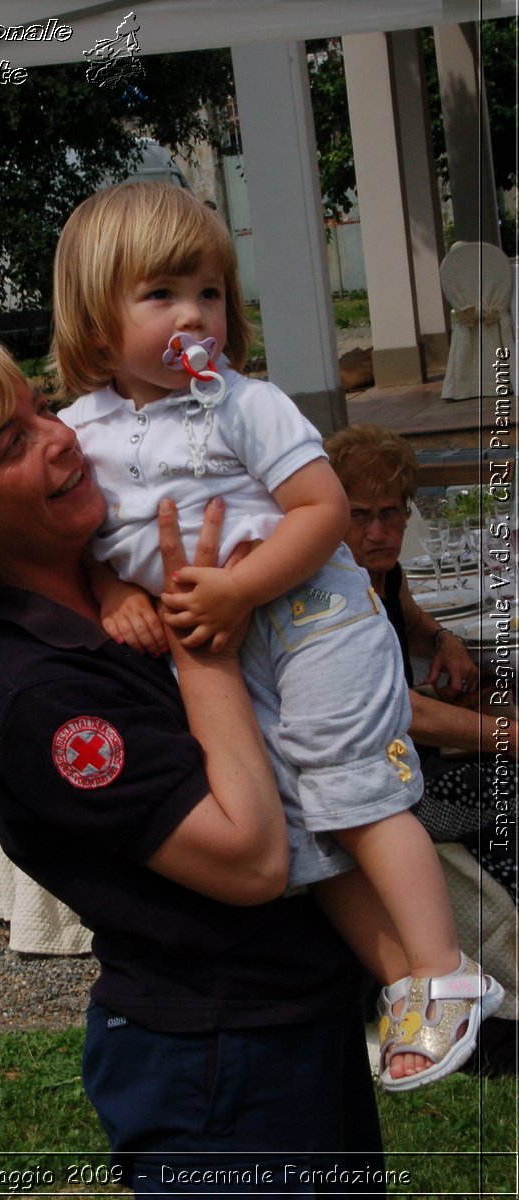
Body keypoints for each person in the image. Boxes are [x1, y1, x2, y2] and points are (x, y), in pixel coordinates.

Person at [0, 330, 387, 1195]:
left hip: (294, 1021)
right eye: (8, 444)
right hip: (221, 1067)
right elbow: (249, 859)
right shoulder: (36, 693)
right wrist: (206, 646)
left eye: (38, 406)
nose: (58, 437)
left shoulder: (102, 579)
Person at [51, 180, 504, 1091]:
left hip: (310, 618)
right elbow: (91, 537)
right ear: (97, 330)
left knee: (357, 792)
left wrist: (236, 590)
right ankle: (402, 984)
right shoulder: (80, 433)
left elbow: (320, 509)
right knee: (300, 835)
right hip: (234, 648)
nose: (196, 314)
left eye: (211, 291)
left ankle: (447, 966)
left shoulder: (241, 404)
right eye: (163, 295)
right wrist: (110, 593)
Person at [325, 422, 517, 1074]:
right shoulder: (328, 592)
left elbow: (405, 604)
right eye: (358, 516)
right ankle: (484, 991)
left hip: (404, 760)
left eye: (390, 514)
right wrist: (505, 736)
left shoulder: (377, 573)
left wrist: (443, 640)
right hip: (372, 783)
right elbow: (396, 709)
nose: (377, 531)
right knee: (502, 810)